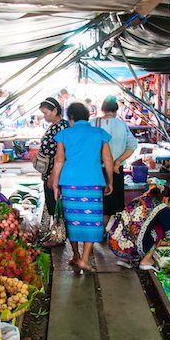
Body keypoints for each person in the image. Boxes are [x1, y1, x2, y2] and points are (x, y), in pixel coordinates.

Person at [51, 102, 114, 272]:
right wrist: (110, 182)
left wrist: (55, 184)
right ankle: (84, 259)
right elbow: (108, 160)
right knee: (91, 221)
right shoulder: (99, 133)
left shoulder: (64, 134)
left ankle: (76, 256)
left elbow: (59, 160)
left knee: (73, 221)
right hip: (93, 184)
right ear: (87, 117)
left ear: (71, 118)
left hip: (70, 184)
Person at [107, 184, 170, 269]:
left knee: (134, 227)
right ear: (166, 198)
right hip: (134, 247)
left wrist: (160, 242)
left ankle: (127, 259)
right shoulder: (162, 208)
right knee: (160, 228)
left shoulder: (138, 200)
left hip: (114, 245)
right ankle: (146, 261)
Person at [90, 95, 138, 230]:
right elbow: (132, 146)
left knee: (97, 202)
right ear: (116, 110)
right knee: (112, 203)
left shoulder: (93, 123)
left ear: (102, 109)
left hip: (96, 169)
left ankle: (97, 231)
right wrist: (118, 161)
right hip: (116, 170)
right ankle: (106, 231)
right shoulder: (122, 125)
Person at [38, 97, 68, 217]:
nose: (44, 116)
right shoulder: (55, 126)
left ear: (55, 111)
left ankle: (59, 234)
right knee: (52, 206)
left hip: (55, 174)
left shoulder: (61, 127)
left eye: (45, 113)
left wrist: (53, 176)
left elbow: (61, 154)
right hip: (50, 173)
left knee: (56, 208)